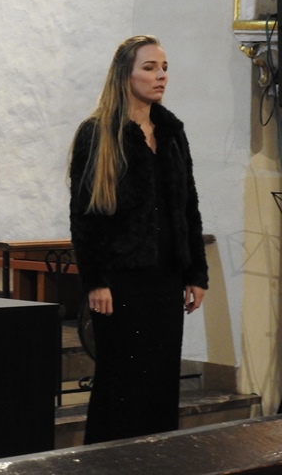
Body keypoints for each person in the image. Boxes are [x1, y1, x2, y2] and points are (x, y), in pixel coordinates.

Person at [68, 35, 208, 444]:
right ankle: (106, 465)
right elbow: (85, 216)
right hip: (121, 283)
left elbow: (188, 206)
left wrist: (195, 273)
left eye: (164, 67)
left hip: (165, 280)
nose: (161, 75)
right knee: (122, 385)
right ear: (124, 75)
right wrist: (95, 281)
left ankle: (156, 462)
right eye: (149, 67)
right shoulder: (98, 133)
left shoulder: (171, 132)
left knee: (160, 385)